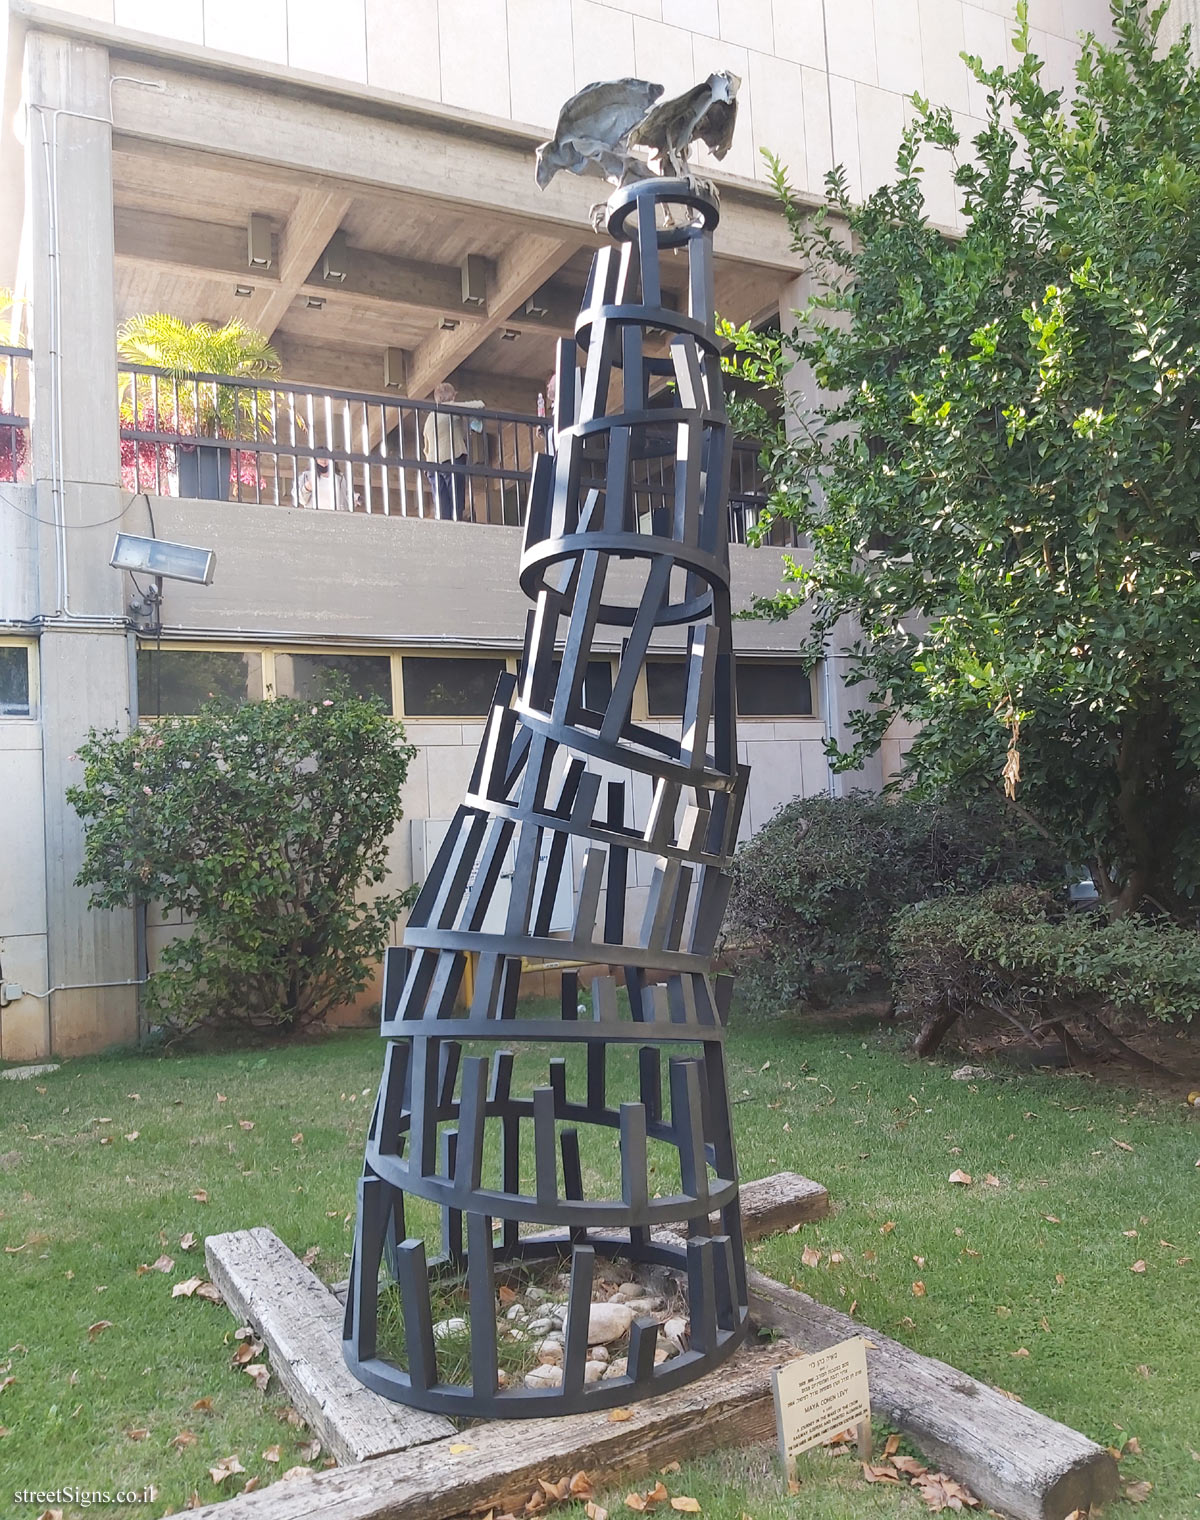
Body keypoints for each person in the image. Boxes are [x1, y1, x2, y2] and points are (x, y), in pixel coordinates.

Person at [421, 381, 485, 520]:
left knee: (442, 505)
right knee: (456, 500)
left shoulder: (429, 418)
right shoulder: (451, 408)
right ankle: (457, 524)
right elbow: (479, 405)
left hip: (432, 465)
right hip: (452, 459)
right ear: (452, 396)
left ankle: (446, 530)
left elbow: (426, 447)